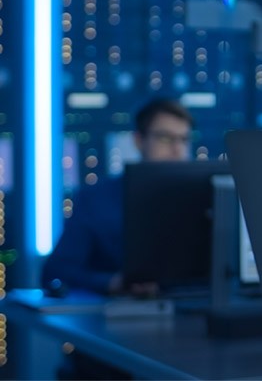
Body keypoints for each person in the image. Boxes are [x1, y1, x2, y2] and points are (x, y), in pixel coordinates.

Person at [41, 97, 194, 296]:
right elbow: (55, 272)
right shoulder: (96, 200)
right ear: (139, 140)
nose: (178, 149)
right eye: (166, 138)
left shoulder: (202, 198)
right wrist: (110, 282)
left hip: (191, 308)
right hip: (117, 314)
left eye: (184, 139)